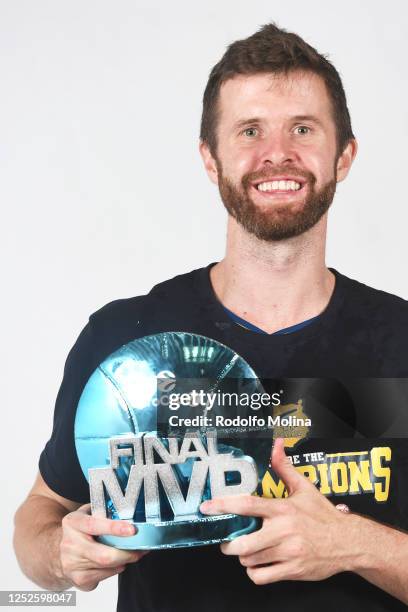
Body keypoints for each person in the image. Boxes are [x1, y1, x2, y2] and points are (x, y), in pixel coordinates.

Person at [13, 22, 408, 612]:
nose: (277, 152)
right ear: (210, 159)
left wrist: (355, 545)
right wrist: (60, 553)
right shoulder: (125, 339)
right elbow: (40, 518)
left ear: (344, 155)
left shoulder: (399, 341)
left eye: (303, 127)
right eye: (250, 130)